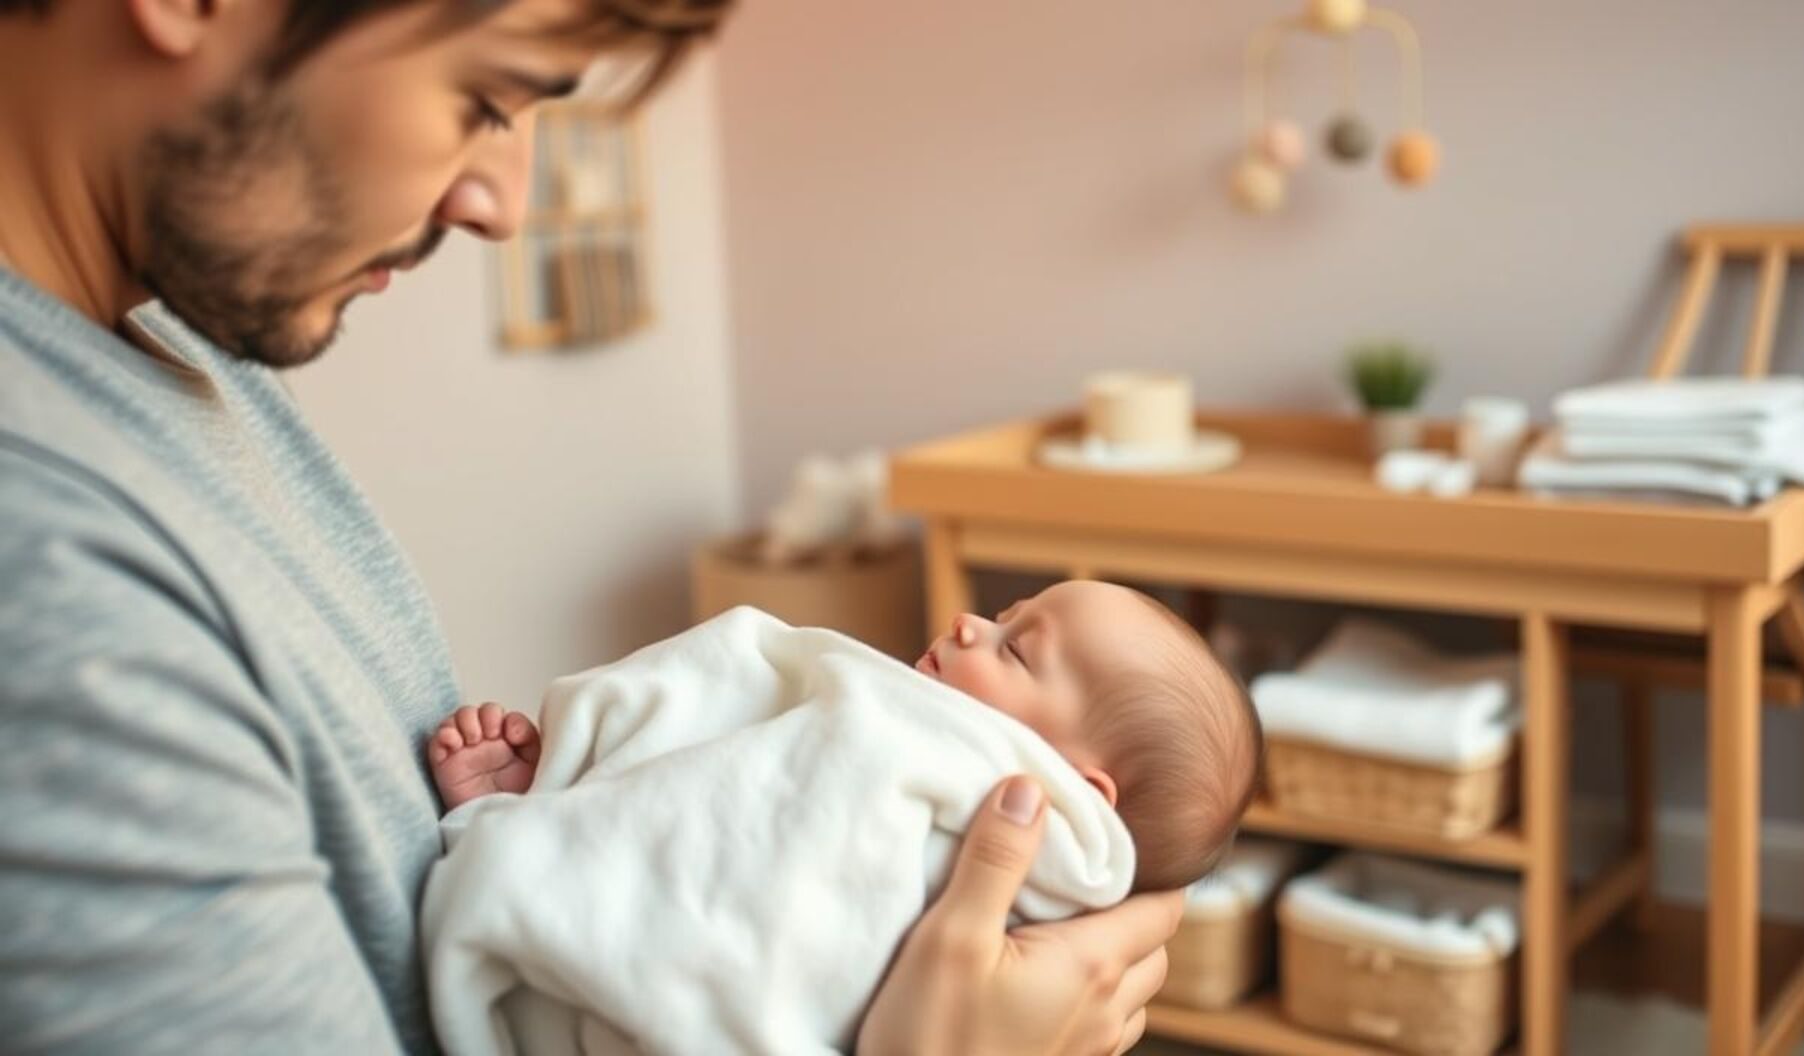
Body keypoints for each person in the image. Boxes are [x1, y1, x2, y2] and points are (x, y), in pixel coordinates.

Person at [0, 1, 1183, 1052]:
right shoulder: (50, 568)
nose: (502, 206)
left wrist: (542, 801)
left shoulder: (179, 350)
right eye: (484, 100)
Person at [419, 581, 1262, 1052]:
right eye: (1002, 617)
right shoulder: (862, 709)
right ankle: (567, 827)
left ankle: (559, 866)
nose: (969, 624)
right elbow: (733, 785)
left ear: (1081, 790)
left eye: (1015, 648)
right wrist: (583, 772)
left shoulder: (1011, 854)